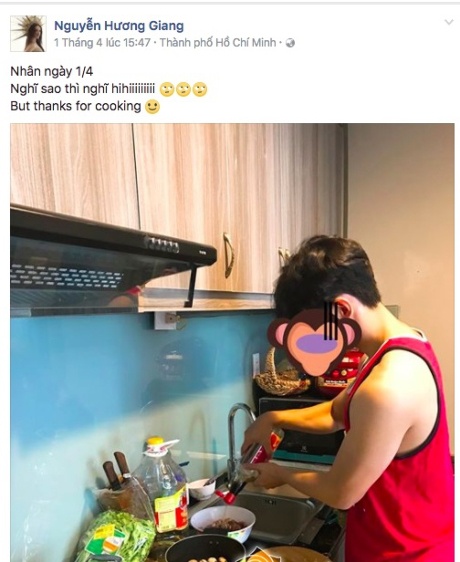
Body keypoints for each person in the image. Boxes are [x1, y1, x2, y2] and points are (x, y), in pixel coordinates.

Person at [241, 235, 454, 562]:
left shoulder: (389, 384)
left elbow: (341, 492)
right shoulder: (397, 347)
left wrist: (280, 473)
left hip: (405, 553)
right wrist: (272, 418)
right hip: (390, 538)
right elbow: (337, 413)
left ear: (340, 310)